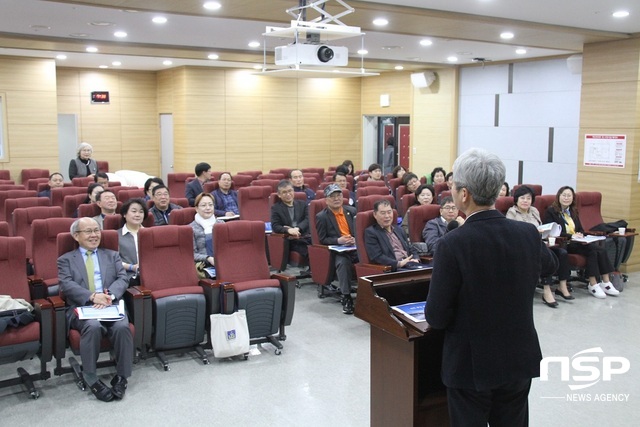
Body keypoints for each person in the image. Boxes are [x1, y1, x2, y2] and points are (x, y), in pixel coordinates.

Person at [425, 148, 557, 427]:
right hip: (518, 358)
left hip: (471, 366)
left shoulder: (453, 243)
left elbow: (436, 316)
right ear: (497, 191)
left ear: (463, 195)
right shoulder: (526, 233)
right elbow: (550, 266)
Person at [57, 217, 133, 402]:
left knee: (122, 327)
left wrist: (110, 296)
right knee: (93, 326)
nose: (94, 235)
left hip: (110, 304)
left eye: (96, 230)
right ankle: (91, 377)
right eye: (88, 231)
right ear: (76, 236)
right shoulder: (65, 259)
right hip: (82, 307)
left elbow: (123, 278)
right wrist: (92, 297)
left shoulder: (112, 255)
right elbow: (66, 285)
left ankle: (122, 377)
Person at [544, 186, 617, 299]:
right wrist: (571, 236)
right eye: (564, 195)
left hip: (577, 242)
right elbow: (552, 231)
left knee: (599, 250)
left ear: (573, 198)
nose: (566, 198)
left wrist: (581, 234)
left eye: (569, 196)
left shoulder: (573, 211)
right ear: (558, 196)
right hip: (565, 243)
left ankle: (605, 282)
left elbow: (580, 229)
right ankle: (593, 284)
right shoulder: (551, 211)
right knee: (592, 250)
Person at [506, 186, 573, 307]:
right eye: (522, 198)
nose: (525, 201)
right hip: (522, 246)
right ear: (516, 199)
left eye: (528, 198)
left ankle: (562, 286)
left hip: (539, 242)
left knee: (561, 253)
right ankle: (547, 290)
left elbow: (541, 227)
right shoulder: (511, 212)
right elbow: (511, 232)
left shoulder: (534, 211)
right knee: (544, 256)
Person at [316, 183, 358, 315]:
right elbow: (322, 239)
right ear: (326, 200)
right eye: (332, 196)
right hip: (337, 251)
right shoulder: (321, 217)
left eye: (338, 195)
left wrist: (355, 239)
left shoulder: (351, 211)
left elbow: (359, 231)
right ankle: (346, 296)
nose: (336, 199)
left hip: (355, 247)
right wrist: (338, 241)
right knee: (343, 262)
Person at [364, 199, 420, 271]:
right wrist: (398, 263)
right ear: (375, 215)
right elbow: (377, 256)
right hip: (394, 268)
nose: (387, 216)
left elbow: (411, 248)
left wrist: (416, 259)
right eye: (383, 213)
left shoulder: (399, 230)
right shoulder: (371, 232)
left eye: (389, 212)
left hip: (410, 264)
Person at [271, 180, 311, 260]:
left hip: (305, 236)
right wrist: (288, 230)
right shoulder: (276, 208)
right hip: (291, 240)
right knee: (309, 251)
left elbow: (308, 219)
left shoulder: (302, 204)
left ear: (293, 191)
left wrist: (297, 228)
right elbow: (275, 226)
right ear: (279, 195)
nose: (288, 194)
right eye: (284, 192)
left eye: (290, 191)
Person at [117, 198, 147, 285]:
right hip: (128, 276)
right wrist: (132, 267)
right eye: (134, 211)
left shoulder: (151, 234)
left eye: (141, 212)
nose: (137, 215)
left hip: (151, 274)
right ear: (124, 214)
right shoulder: (116, 236)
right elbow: (113, 261)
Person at [190, 193, 220, 269]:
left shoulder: (221, 224)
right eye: (203, 205)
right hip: (204, 266)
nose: (208, 208)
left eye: (210, 205)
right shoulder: (190, 228)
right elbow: (191, 254)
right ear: (196, 208)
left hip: (224, 262)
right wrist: (208, 258)